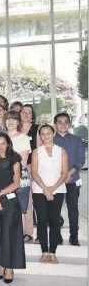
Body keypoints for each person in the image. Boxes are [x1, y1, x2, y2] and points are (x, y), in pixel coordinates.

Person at [0, 132, 25, 284]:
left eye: (3, 143)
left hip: (10, 202)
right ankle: (1, 264)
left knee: (9, 235)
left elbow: (16, 183)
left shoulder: (14, 159)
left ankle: (9, 268)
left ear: (8, 143)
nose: (0, 146)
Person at [32, 124, 68, 264]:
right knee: (42, 220)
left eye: (48, 133)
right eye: (43, 134)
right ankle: (44, 251)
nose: (46, 136)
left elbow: (64, 173)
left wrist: (52, 188)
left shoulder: (62, 151)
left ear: (53, 134)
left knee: (54, 220)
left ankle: (52, 252)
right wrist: (45, 189)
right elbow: (34, 173)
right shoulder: (36, 152)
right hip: (39, 190)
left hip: (57, 190)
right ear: (40, 136)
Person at [54, 112, 85, 246]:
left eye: (66, 122)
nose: (63, 125)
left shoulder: (77, 140)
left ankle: (74, 236)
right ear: (55, 125)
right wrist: (61, 176)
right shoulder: (50, 140)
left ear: (70, 124)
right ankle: (57, 236)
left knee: (73, 207)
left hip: (72, 179)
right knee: (55, 209)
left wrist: (68, 173)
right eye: (59, 122)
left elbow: (80, 160)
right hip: (55, 180)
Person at [5, 110, 32, 240]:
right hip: (3, 177)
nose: (10, 122)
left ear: (18, 122)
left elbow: (24, 160)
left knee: (19, 208)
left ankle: (19, 237)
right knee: (6, 207)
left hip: (20, 177)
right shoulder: (1, 137)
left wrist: (6, 163)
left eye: (13, 119)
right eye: (8, 119)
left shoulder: (23, 138)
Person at [20, 104, 42, 243]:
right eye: (24, 112)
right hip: (21, 171)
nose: (26, 115)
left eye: (29, 112)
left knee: (39, 202)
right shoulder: (16, 129)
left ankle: (41, 233)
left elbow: (39, 151)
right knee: (26, 202)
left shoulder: (37, 129)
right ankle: (27, 232)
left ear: (32, 115)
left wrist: (33, 168)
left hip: (35, 169)